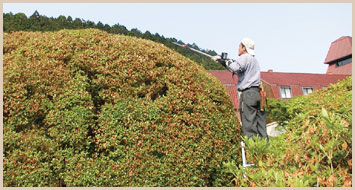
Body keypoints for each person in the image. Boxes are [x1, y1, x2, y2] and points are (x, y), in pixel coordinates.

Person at [212, 38, 269, 141]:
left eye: (239, 46)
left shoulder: (245, 57)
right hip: (257, 94)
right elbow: (238, 67)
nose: (238, 48)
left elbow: (235, 68)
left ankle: (250, 151)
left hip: (248, 94)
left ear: (244, 48)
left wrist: (223, 62)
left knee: (248, 124)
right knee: (260, 124)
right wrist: (226, 62)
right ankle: (265, 148)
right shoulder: (254, 60)